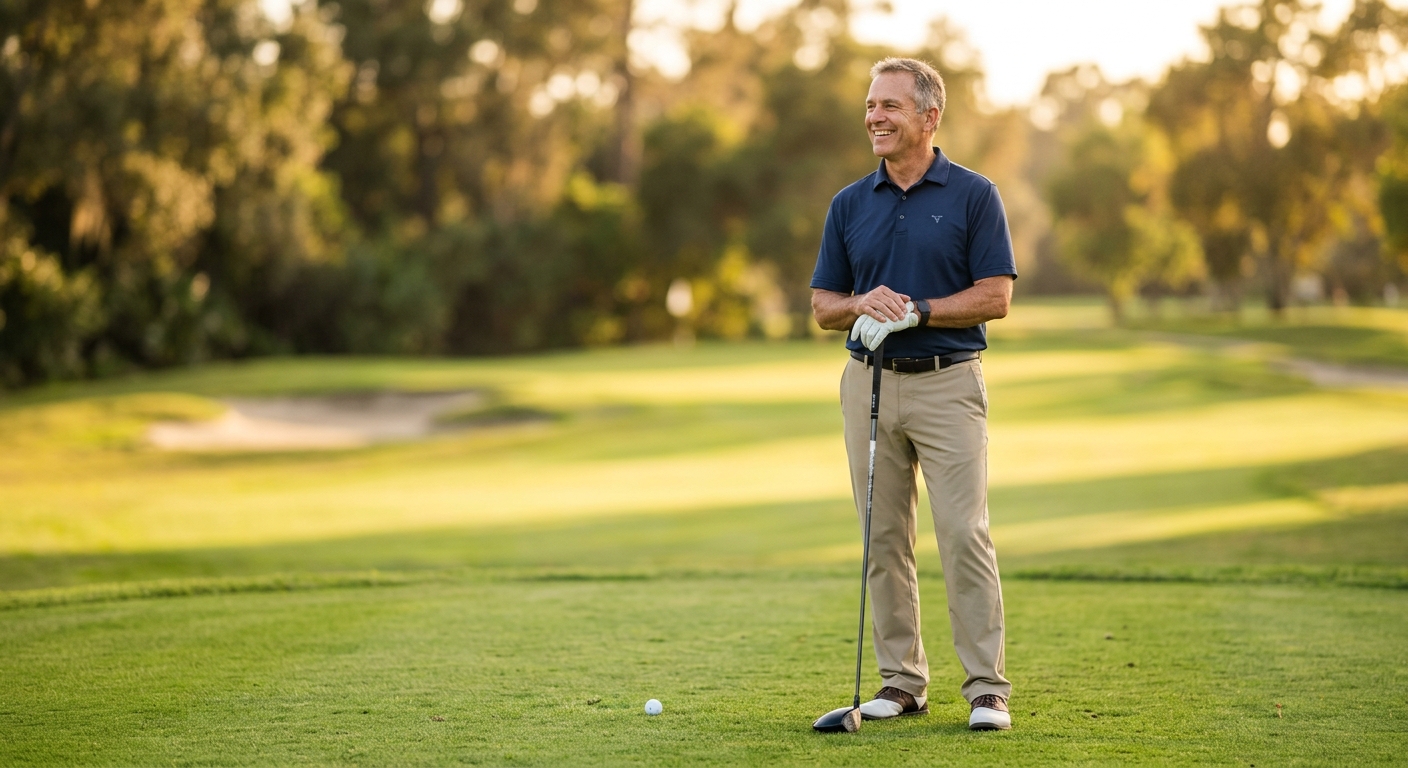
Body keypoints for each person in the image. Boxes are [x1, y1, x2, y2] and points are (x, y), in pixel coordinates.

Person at [809, 57, 1016, 731]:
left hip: (948, 384)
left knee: (963, 535)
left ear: (930, 117)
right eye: (871, 106)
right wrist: (859, 302)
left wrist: (918, 310)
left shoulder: (975, 195)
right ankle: (902, 682)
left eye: (890, 106)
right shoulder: (849, 203)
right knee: (883, 539)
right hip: (866, 383)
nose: (875, 117)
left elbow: (996, 296)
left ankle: (987, 688)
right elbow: (822, 305)